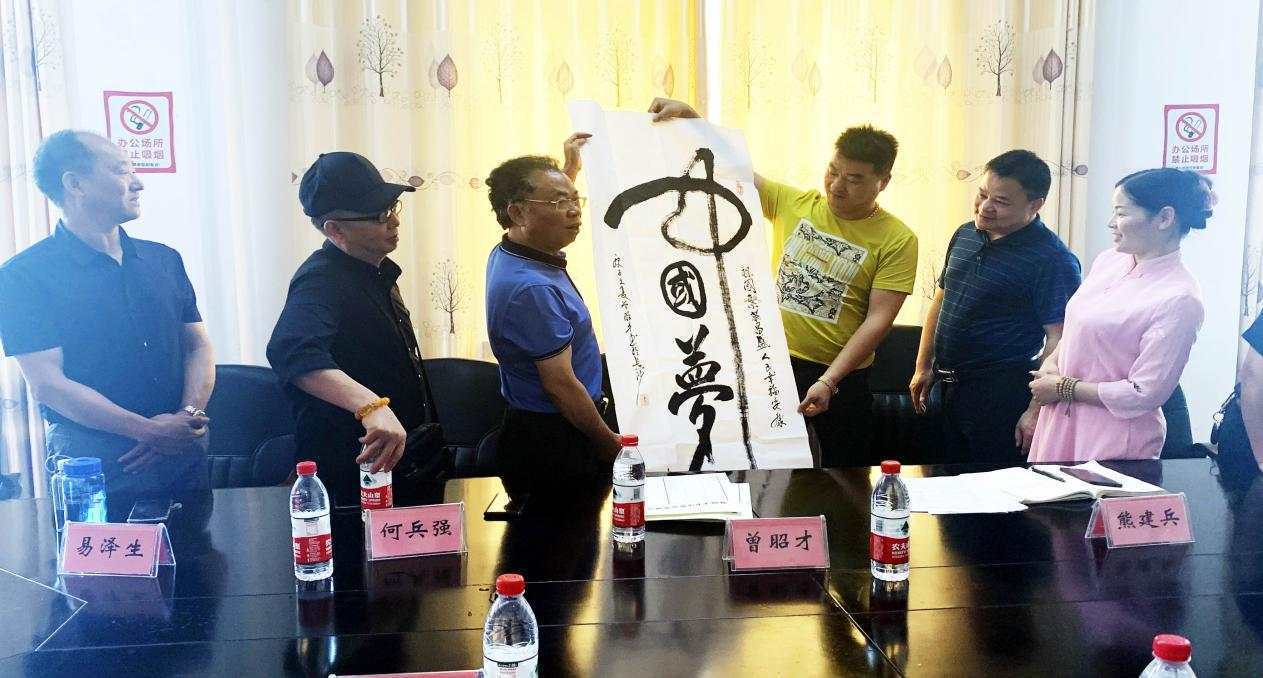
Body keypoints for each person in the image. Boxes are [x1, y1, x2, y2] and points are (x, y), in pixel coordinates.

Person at [648, 98, 917, 466]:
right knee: (772, 472)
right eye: (833, 171)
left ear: (882, 182)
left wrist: (829, 380)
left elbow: (878, 320)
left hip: (842, 378)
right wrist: (693, 119)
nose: (837, 186)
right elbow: (734, 168)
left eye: (855, 179)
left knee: (842, 476)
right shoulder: (795, 203)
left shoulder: (897, 239)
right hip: (773, 366)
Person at [0, 130, 214, 503]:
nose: (138, 183)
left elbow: (197, 345)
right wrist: (147, 431)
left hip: (181, 443)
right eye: (121, 170)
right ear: (75, 184)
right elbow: (48, 384)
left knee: (198, 537)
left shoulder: (164, 259)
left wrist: (186, 415)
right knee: (100, 543)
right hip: (94, 459)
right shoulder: (23, 276)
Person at [267, 151, 438, 506]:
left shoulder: (374, 270)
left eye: (392, 208)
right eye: (379, 215)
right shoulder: (322, 279)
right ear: (335, 229)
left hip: (402, 463)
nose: (394, 221)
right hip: (356, 474)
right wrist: (371, 407)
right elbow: (292, 351)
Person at [1027, 168, 1209, 462]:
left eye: (1122, 213)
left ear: (1165, 218)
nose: (1112, 223)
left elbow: (1144, 392)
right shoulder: (1110, 261)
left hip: (1113, 436)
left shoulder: (1180, 297)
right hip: (1060, 420)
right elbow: (1078, 326)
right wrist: (1052, 364)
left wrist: (1064, 388)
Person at [910, 150, 1081, 465]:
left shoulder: (1052, 260)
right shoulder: (965, 233)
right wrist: (923, 366)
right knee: (940, 481)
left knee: (991, 487)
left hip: (999, 394)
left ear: (1035, 205)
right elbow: (942, 299)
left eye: (1001, 201)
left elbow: (1060, 338)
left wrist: (1035, 410)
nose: (985, 207)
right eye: (982, 194)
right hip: (945, 386)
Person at [484, 134, 621, 506]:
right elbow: (562, 387)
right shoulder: (532, 289)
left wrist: (569, 171)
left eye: (575, 200)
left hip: (549, 427)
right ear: (518, 213)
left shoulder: (514, 249)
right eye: (561, 202)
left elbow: (544, 208)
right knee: (566, 539)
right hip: (553, 441)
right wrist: (612, 448)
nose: (574, 211)